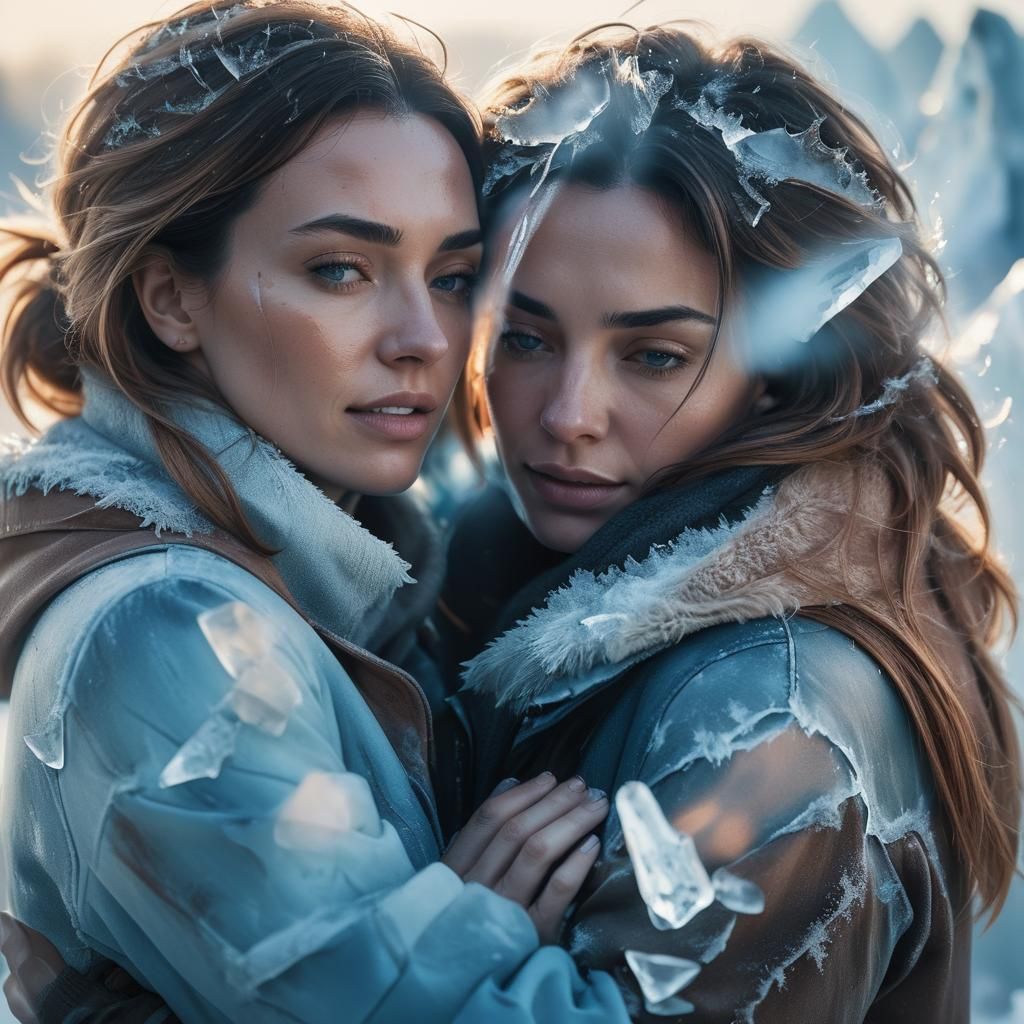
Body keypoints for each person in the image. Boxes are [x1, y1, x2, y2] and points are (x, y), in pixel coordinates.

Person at [0, 3, 632, 1022]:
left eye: (454, 276)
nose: (424, 337)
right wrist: (468, 922)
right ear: (171, 298)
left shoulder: (338, 564)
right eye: (340, 269)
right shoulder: (170, 637)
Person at [430, 23, 1022, 1021]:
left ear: (780, 374)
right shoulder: (496, 588)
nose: (567, 412)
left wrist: (444, 948)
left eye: (653, 355)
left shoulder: (764, 719)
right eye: (525, 337)